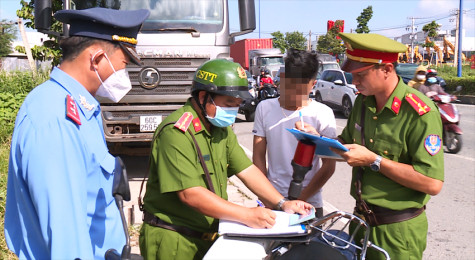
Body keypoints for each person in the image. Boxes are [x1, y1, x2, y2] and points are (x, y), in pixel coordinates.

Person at [4, 7, 149, 259]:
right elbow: (65, 236)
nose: (124, 76)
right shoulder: (56, 117)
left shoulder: (81, 108)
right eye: (123, 65)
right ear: (96, 59)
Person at [139, 59, 313, 259]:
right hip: (175, 240)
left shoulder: (220, 129)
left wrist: (282, 203)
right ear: (204, 96)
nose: (233, 112)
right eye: (229, 104)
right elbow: (191, 194)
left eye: (237, 105)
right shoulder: (177, 133)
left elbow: (247, 170)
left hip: (209, 237)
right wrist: (247, 215)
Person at [300, 33, 444, 259]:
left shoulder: (419, 113)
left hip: (397, 232)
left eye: (361, 75)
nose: (354, 82)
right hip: (361, 223)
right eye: (352, 75)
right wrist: (317, 138)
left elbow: (432, 183)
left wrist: (375, 161)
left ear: (386, 69)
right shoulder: (363, 102)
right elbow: (346, 144)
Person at [253, 49, 336, 218]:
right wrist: (267, 197)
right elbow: (259, 156)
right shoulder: (265, 108)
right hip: (272, 201)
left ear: (313, 84)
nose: (296, 96)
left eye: (302, 90)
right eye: (291, 88)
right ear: (283, 79)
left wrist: (300, 200)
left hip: (308, 205)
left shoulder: (322, 113)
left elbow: (329, 166)